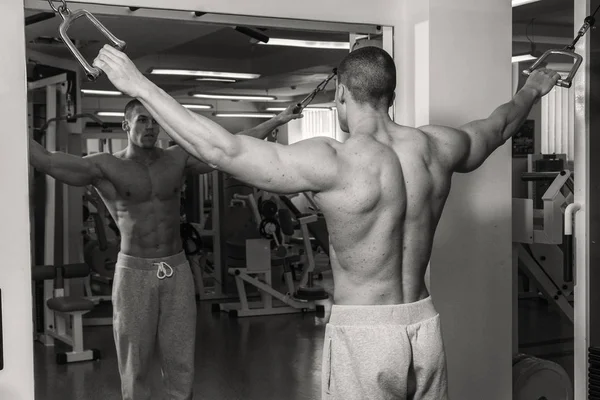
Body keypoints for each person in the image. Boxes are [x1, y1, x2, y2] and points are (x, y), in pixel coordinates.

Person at [92, 44, 559, 400]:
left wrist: (140, 87)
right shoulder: (438, 147)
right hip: (423, 326)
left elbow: (221, 149)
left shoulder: (331, 161)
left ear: (341, 93)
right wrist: (532, 88)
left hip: (364, 334)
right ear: (389, 96)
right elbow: (499, 127)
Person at [28, 101, 302, 400]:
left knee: (181, 356)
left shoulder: (177, 159)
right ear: (126, 125)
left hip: (177, 268)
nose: (150, 127)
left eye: (154, 121)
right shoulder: (106, 166)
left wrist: (276, 120)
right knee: (135, 360)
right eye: (142, 120)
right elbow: (47, 161)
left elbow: (231, 149)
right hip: (135, 272)